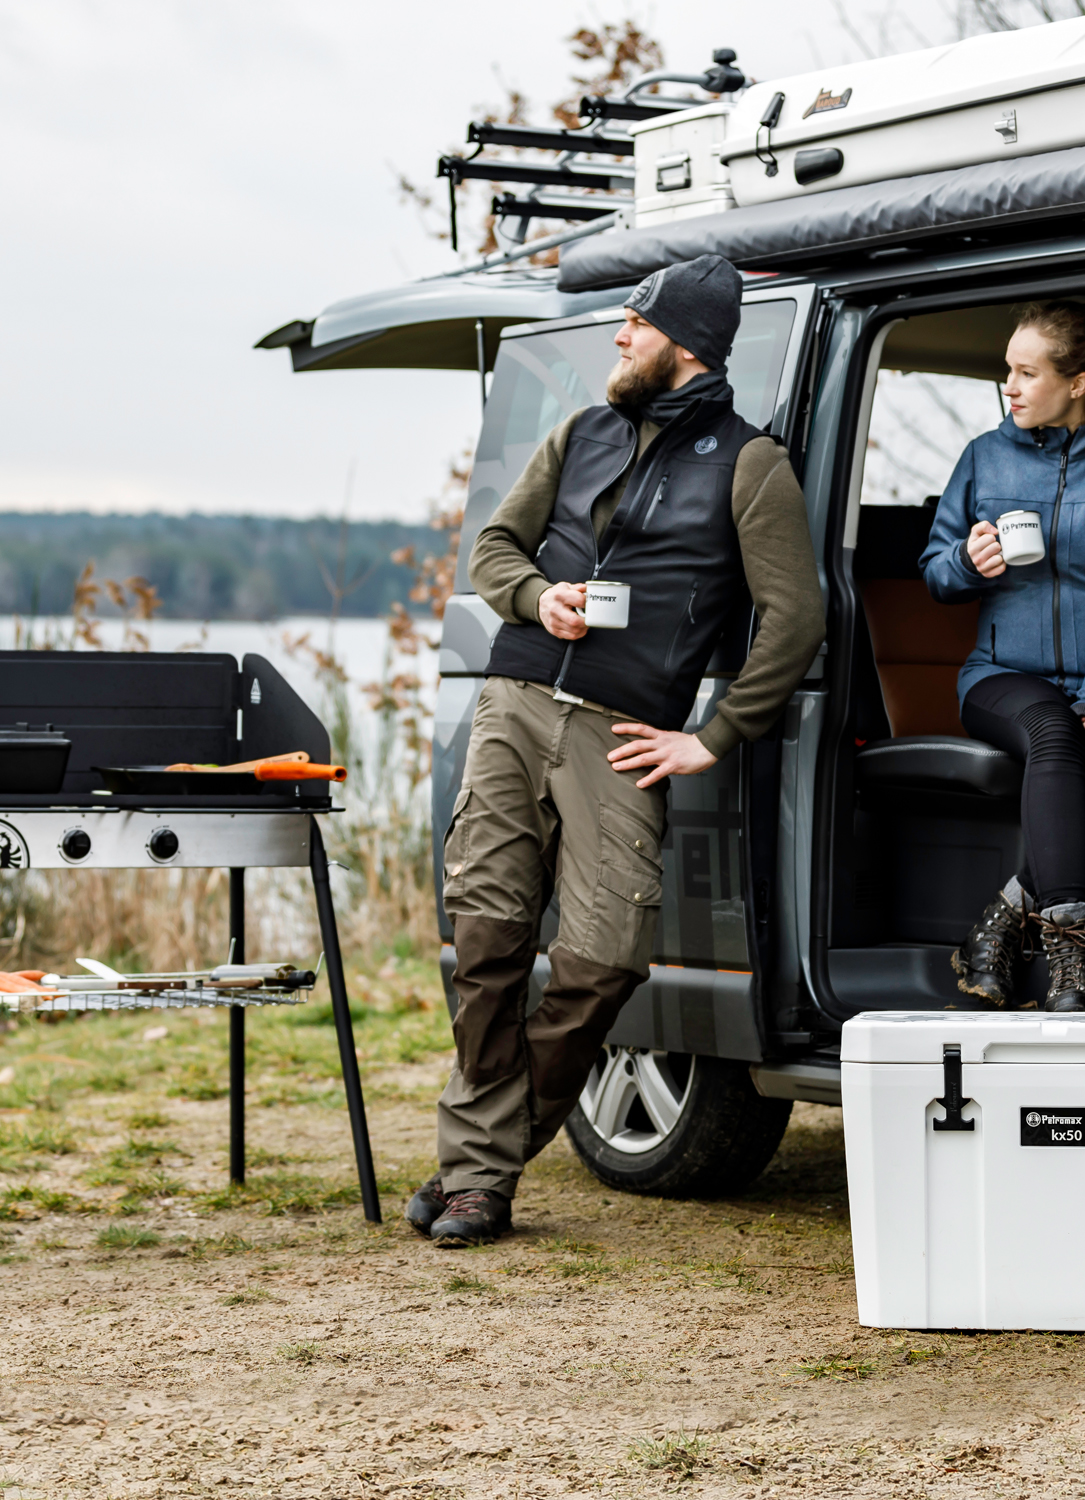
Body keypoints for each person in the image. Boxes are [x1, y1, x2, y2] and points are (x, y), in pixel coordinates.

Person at [406, 254, 826, 1247]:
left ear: (682, 342)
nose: (619, 335)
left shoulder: (750, 463)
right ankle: (479, 1182)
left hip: (622, 734)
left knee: (602, 965)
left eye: (634, 322)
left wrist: (714, 737)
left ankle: (478, 1161)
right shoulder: (579, 432)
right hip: (512, 704)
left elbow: (794, 618)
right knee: (488, 942)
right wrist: (531, 597)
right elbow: (494, 549)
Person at [922, 300, 1085, 1014]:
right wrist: (968, 562)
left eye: (1028, 373)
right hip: (1002, 678)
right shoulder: (984, 456)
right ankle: (1070, 954)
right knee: (1054, 731)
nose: (1011, 386)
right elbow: (936, 574)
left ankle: (996, 926)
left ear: (1079, 382)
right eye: (1008, 370)